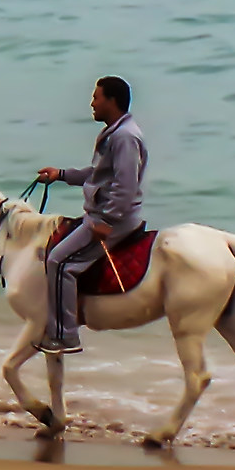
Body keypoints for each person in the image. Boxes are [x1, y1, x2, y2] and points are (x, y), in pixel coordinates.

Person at [33, 75, 146, 355]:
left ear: (111, 101)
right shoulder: (114, 133)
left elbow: (126, 185)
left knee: (59, 261)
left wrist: (106, 221)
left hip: (113, 219)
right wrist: (60, 175)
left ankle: (65, 336)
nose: (91, 103)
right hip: (103, 213)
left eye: (96, 98)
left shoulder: (125, 137)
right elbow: (97, 175)